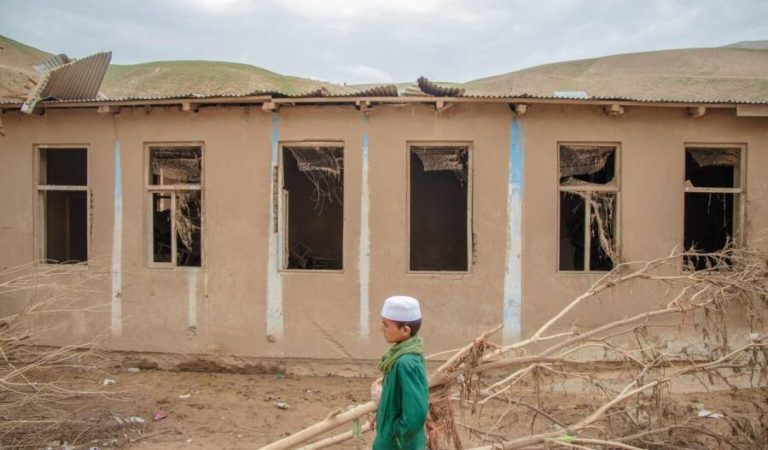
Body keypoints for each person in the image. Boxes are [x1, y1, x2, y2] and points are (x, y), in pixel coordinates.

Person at [371, 295, 429, 450]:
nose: (381, 329)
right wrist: (381, 417)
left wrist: (396, 433)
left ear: (405, 330)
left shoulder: (405, 363)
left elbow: (416, 413)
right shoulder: (400, 356)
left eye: (386, 325)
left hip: (398, 444)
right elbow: (396, 401)